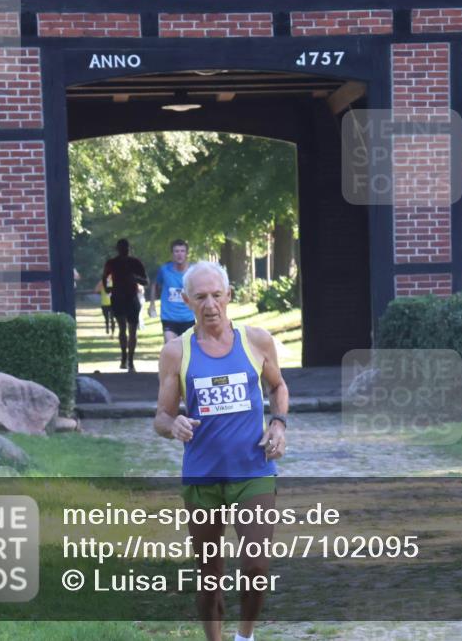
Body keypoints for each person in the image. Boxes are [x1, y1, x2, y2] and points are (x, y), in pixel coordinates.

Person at [154, 261, 288, 641]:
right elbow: (161, 417)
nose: (210, 304)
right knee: (209, 576)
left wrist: (278, 423)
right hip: (203, 476)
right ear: (185, 301)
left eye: (217, 294)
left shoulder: (256, 340)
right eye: (200, 297)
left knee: (256, 567)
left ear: (229, 295)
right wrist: (173, 424)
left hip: (253, 469)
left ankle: (245, 636)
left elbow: (279, 386)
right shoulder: (175, 352)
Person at [102, 238, 148, 372]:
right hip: (119, 297)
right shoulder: (113, 263)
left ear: (128, 248)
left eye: (125, 247)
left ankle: (129, 359)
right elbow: (104, 277)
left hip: (130, 297)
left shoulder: (134, 262)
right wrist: (107, 288)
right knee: (124, 329)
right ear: (118, 249)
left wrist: (135, 278)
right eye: (122, 247)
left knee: (130, 329)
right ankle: (126, 358)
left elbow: (145, 280)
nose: (124, 250)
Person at [149, 239, 195, 342]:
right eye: (176, 251)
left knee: (187, 352)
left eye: (182, 251)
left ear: (187, 253)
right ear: (172, 254)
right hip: (169, 317)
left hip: (188, 317)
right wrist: (152, 305)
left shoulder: (193, 271)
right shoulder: (164, 270)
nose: (179, 254)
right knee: (171, 347)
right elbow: (155, 284)